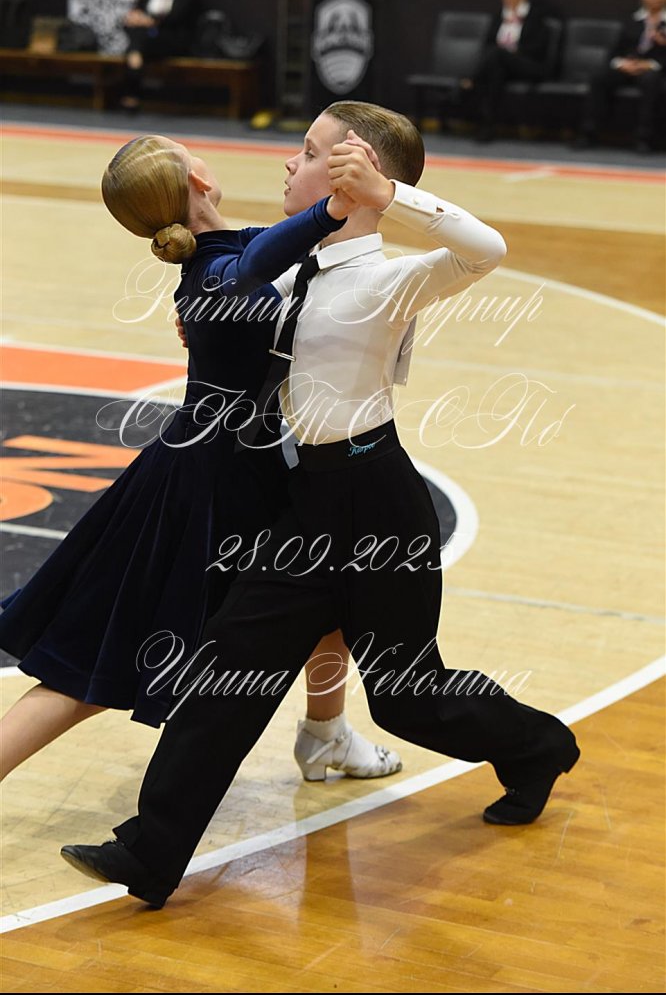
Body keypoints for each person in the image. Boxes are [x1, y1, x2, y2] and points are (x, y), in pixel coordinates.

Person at [61, 103, 580, 910]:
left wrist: (389, 195)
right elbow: (228, 305)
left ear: (355, 173)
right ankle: (150, 852)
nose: (288, 164)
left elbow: (486, 248)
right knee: (227, 671)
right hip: (305, 505)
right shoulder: (287, 268)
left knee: (408, 697)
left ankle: (540, 744)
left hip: (379, 506)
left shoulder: (391, 277)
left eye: (307, 152)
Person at [0, 132, 401, 783]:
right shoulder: (219, 272)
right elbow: (259, 262)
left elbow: (282, 255)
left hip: (234, 465)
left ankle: (326, 732)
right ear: (197, 181)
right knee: (92, 665)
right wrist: (330, 208)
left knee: (331, 597)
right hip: (213, 481)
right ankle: (324, 734)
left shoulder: (223, 255)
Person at [574, 0, 666, 153]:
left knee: (651, 81)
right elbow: (615, 50)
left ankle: (645, 137)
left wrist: (650, 64)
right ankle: (589, 132)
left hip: (655, 70)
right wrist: (621, 63)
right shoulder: (632, 20)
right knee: (599, 78)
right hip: (628, 66)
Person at [464, 0, 552, 143]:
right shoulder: (499, 16)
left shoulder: (536, 15)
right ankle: (488, 124)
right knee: (496, 70)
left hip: (529, 65)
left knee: (498, 54)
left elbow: (539, 48)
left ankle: (471, 80)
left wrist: (514, 52)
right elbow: (488, 43)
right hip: (503, 66)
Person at [119, 0, 200, 113]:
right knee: (139, 38)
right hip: (145, 37)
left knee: (138, 44)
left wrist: (152, 22)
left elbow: (178, 19)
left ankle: (132, 87)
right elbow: (138, 11)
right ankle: (135, 61)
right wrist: (136, 18)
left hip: (171, 40)